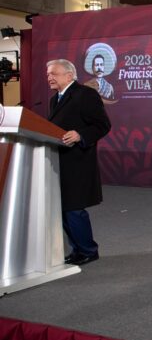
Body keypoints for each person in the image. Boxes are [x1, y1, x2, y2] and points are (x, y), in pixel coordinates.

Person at [47, 59, 111, 266]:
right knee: (63, 208)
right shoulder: (54, 99)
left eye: (53, 73)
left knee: (74, 208)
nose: (49, 77)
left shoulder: (86, 94)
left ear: (69, 75)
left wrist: (80, 135)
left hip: (78, 162)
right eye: (48, 74)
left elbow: (102, 125)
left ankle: (88, 250)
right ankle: (77, 250)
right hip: (58, 162)